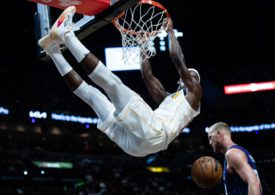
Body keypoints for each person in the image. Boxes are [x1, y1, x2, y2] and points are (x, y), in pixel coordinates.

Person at [38, 6, 202, 157]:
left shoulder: (195, 94)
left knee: (113, 84)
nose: (189, 76)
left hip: (154, 133)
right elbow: (147, 76)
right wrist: (143, 47)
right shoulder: (169, 99)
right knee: (93, 97)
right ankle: (53, 50)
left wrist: (171, 32)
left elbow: (178, 60)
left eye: (193, 76)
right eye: (189, 75)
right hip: (141, 145)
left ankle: (66, 34)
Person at [207, 122, 263, 195]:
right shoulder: (238, 151)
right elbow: (258, 186)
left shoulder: (232, 153)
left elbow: (254, 182)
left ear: (218, 133)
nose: (209, 143)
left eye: (210, 137)